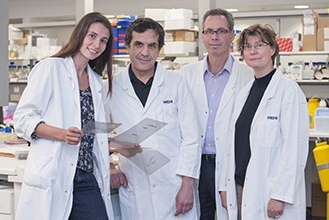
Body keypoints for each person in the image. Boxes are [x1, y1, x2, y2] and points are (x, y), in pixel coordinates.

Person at [13, 12, 115, 220]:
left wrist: (114, 145)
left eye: (103, 41)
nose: (97, 44)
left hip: (86, 176)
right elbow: (22, 119)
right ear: (80, 35)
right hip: (55, 173)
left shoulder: (97, 82)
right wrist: (61, 134)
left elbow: (93, 131)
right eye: (92, 36)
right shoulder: (51, 68)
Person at [108, 17, 201, 219]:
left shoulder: (176, 84)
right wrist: (110, 167)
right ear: (127, 46)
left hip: (174, 186)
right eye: (138, 44)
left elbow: (192, 138)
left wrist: (187, 185)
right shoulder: (112, 88)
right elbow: (95, 134)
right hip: (135, 186)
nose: (145, 52)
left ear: (159, 49)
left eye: (152, 46)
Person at [220, 24, 309, 220]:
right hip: (241, 187)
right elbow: (232, 144)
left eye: (259, 45)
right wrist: (225, 186)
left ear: (273, 49)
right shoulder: (245, 92)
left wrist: (280, 195)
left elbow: (294, 149)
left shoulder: (288, 91)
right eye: (247, 46)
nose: (253, 51)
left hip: (270, 192)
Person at [179, 8, 253, 220]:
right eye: (209, 31)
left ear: (232, 34)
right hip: (196, 167)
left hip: (230, 167)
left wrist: (236, 176)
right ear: (202, 35)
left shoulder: (248, 77)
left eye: (221, 31)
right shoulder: (185, 75)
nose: (214, 37)